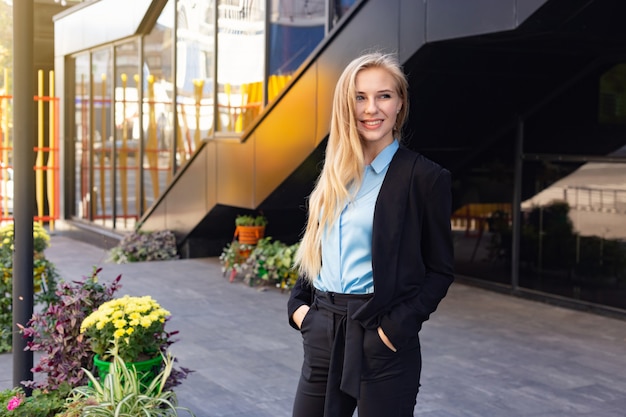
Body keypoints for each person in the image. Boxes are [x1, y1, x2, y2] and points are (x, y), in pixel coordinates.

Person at [287, 52, 455, 417]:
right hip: (323, 331)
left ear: (400, 104)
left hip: (382, 337)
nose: (371, 108)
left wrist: (393, 332)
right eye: (360, 97)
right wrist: (300, 309)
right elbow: (316, 248)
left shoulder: (425, 178)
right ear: (347, 105)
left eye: (384, 96)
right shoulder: (333, 172)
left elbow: (440, 270)